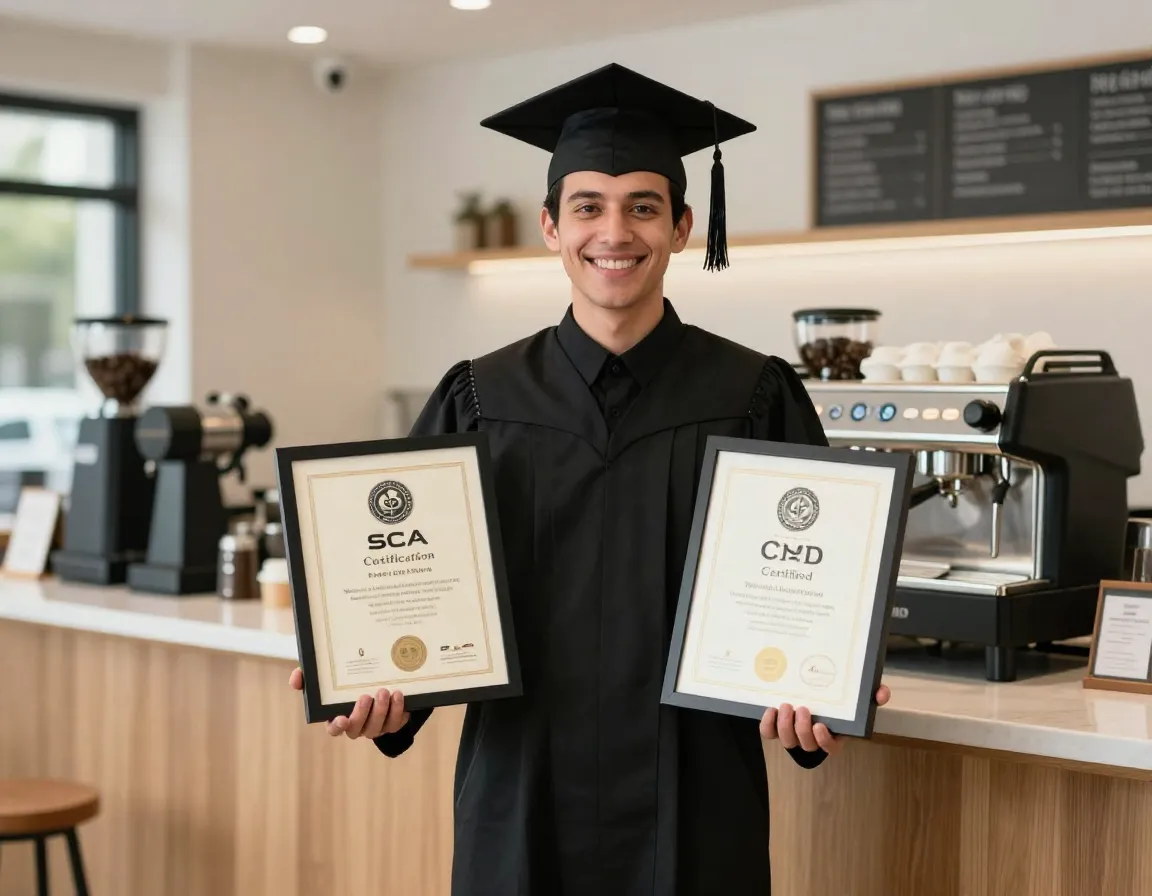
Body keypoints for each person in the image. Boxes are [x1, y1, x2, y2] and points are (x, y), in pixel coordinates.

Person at [288, 62, 890, 895]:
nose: (616, 231)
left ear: (682, 226)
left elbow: (816, 587)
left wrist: (819, 695)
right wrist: (377, 690)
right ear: (549, 226)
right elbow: (416, 583)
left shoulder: (752, 395)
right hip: (520, 785)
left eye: (644, 206)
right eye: (588, 207)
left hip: (696, 794)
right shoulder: (478, 396)